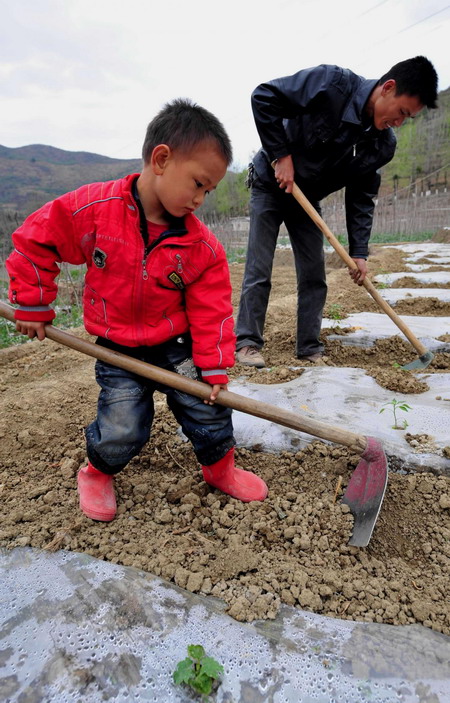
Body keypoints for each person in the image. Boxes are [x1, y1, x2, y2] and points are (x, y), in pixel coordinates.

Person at [6, 98, 268, 522]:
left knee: (208, 405)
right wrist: (34, 301)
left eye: (209, 190)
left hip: (175, 346)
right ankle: (96, 472)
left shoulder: (201, 247)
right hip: (117, 348)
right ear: (161, 159)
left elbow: (212, 309)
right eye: (198, 184)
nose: (202, 199)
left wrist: (214, 366)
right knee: (123, 423)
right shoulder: (93, 210)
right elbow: (36, 239)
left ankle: (222, 470)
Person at [236, 56, 438, 368]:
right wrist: (281, 155)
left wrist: (359, 253)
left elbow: (361, 198)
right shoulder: (332, 84)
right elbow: (263, 97)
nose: (398, 123)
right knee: (259, 268)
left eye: (406, 119)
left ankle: (309, 347)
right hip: (271, 182)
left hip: (307, 199)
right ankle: (247, 344)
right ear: (388, 88)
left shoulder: (382, 145)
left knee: (315, 274)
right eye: (400, 113)